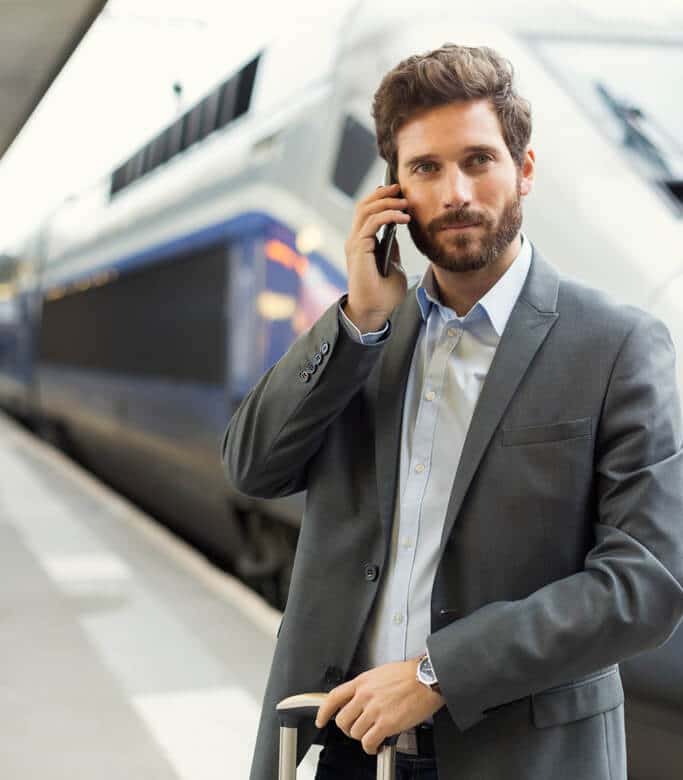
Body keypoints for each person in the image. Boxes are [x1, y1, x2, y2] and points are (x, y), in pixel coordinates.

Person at [221, 44, 683, 780]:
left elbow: (644, 583)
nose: (454, 192)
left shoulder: (617, 344)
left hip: (522, 760)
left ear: (523, 171)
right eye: (425, 169)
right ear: (393, 192)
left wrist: (439, 675)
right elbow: (251, 468)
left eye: (478, 160)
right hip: (344, 749)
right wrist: (358, 324)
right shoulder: (363, 337)